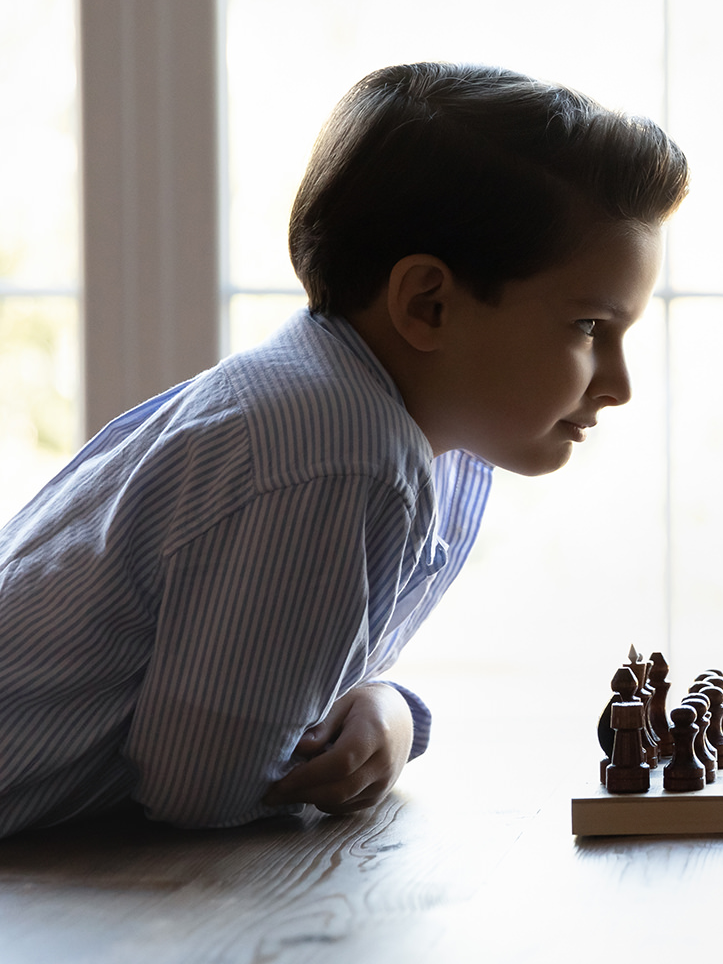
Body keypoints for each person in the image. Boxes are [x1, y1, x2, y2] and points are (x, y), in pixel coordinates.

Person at [0, 63, 687, 837]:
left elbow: (276, 701)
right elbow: (204, 790)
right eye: (590, 328)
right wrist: (363, 734)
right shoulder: (338, 451)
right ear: (427, 303)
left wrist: (389, 709)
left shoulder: (411, 433)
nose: (621, 385)